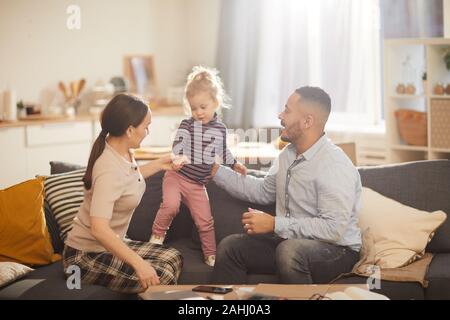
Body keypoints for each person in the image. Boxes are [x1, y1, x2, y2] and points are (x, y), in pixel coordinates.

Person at [210, 86, 362, 284]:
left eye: (287, 111)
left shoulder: (334, 165)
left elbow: (333, 229)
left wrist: (274, 224)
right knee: (231, 247)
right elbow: (264, 191)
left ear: (307, 121)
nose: (280, 115)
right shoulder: (287, 155)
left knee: (289, 251)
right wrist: (214, 170)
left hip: (337, 251)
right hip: (290, 243)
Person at [63, 93, 184, 293]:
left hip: (107, 247)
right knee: (160, 278)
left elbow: (126, 181)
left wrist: (160, 164)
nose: (147, 131)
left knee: (173, 257)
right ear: (129, 130)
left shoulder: (122, 150)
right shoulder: (108, 169)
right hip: (84, 256)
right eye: (146, 126)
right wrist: (139, 263)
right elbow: (99, 229)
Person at [149, 66, 247, 267]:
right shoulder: (187, 124)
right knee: (170, 206)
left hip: (197, 185)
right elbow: (177, 146)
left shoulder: (220, 129)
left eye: (203, 107)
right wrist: (180, 157)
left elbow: (223, 151)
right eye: (194, 108)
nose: (198, 112)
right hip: (176, 177)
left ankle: (210, 254)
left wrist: (234, 164)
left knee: (205, 221)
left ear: (215, 102)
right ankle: (157, 237)